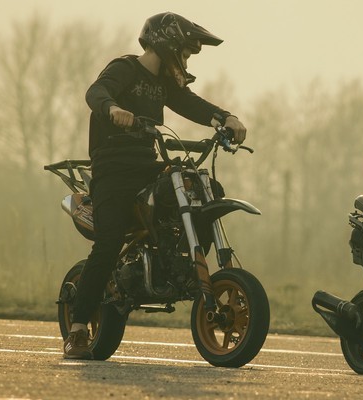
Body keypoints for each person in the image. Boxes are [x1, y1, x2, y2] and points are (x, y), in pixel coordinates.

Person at [63, 12, 247, 359]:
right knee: (109, 240)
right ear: (169, 43)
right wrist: (113, 107)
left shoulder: (164, 83)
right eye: (187, 52)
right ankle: (77, 329)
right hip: (113, 168)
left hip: (146, 166)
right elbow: (96, 91)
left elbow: (191, 103)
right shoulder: (125, 68)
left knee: (198, 190)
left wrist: (226, 117)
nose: (187, 59)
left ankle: (180, 268)